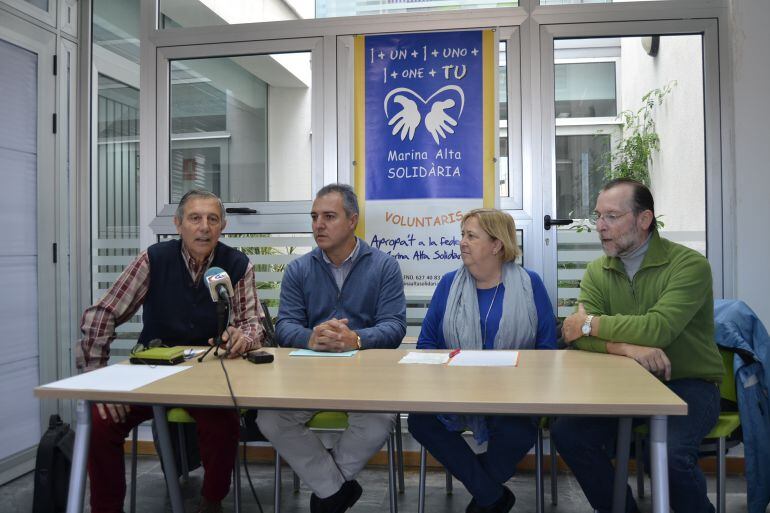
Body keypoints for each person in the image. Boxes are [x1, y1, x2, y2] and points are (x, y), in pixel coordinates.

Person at [76, 189, 265, 513]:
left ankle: (212, 499)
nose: (204, 227)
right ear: (178, 224)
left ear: (223, 226)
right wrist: (98, 380)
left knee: (224, 422)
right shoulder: (154, 259)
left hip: (206, 375)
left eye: (212, 219)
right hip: (152, 370)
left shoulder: (236, 264)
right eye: (195, 218)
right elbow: (101, 314)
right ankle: (106, 508)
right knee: (101, 419)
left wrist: (241, 338)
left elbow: (253, 323)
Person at [551, 178, 724, 513]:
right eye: (598, 216)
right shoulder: (596, 271)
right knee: (569, 434)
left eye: (612, 217)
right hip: (622, 385)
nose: (600, 226)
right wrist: (627, 349)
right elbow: (579, 342)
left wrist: (589, 323)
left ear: (644, 220)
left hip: (687, 383)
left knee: (668, 455)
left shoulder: (689, 265)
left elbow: (658, 329)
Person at [257, 184, 407, 513]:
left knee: (380, 418)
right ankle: (334, 489)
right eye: (314, 217)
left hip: (365, 376)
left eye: (329, 216)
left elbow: (395, 326)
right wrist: (311, 337)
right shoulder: (298, 270)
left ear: (352, 220)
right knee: (270, 419)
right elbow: (285, 326)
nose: (318, 225)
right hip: (310, 376)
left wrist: (357, 339)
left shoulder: (384, 267)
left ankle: (328, 488)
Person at [408, 208, 557, 513]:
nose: (462, 242)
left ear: (497, 244)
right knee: (420, 421)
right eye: (462, 234)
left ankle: (484, 492)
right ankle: (492, 495)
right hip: (456, 391)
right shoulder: (449, 285)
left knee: (518, 431)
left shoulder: (531, 285)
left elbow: (547, 350)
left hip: (514, 394)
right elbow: (426, 345)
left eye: (471, 235)